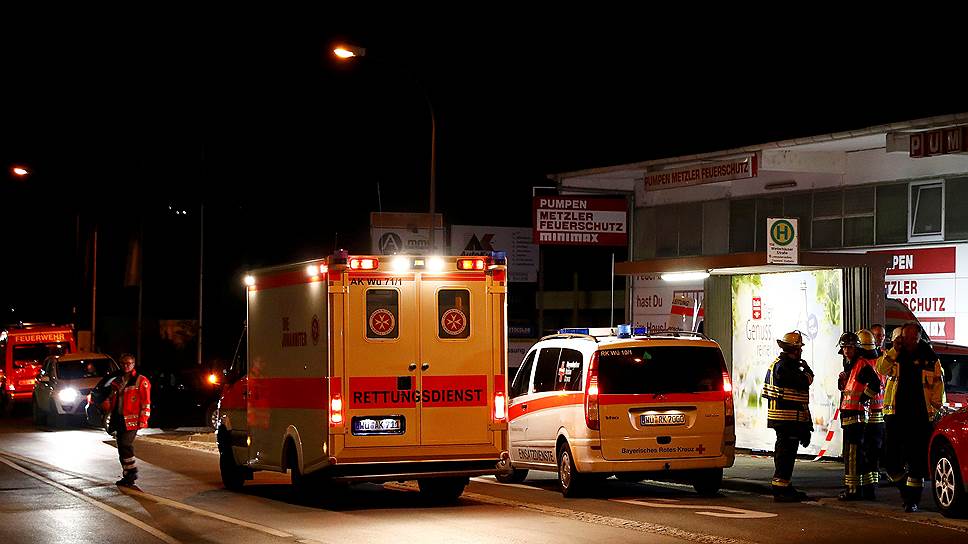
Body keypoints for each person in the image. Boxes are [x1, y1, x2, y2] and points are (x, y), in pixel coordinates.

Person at [877, 322, 945, 512]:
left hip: (920, 418)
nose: (909, 341)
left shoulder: (930, 359)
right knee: (891, 462)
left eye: (913, 338)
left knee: (917, 463)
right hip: (896, 415)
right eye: (906, 337)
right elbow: (881, 369)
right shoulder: (895, 355)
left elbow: (938, 387)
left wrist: (935, 411)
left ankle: (912, 500)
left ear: (919, 338)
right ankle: (905, 489)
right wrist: (893, 350)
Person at [762, 330, 814, 502]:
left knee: (785, 454)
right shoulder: (785, 367)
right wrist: (806, 370)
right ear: (795, 349)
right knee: (786, 455)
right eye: (799, 348)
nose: (801, 351)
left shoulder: (782, 364)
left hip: (788, 418)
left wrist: (806, 424)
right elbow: (803, 382)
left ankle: (784, 485)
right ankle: (781, 489)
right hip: (787, 418)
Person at [837, 330, 881, 501]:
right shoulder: (852, 365)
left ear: (856, 348)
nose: (846, 351)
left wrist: (864, 398)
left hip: (856, 416)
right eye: (844, 348)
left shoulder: (861, 364)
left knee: (852, 455)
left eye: (850, 347)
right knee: (857, 455)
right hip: (851, 415)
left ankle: (852, 490)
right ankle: (863, 489)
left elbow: (875, 383)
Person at [101, 353, 151, 488]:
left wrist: (143, 419)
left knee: (125, 444)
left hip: (132, 420)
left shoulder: (141, 381)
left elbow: (146, 402)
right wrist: (107, 404)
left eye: (128, 363)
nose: (126, 366)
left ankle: (132, 472)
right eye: (123, 363)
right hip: (119, 418)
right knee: (121, 448)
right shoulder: (117, 380)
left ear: (133, 364)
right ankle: (127, 474)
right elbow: (113, 398)